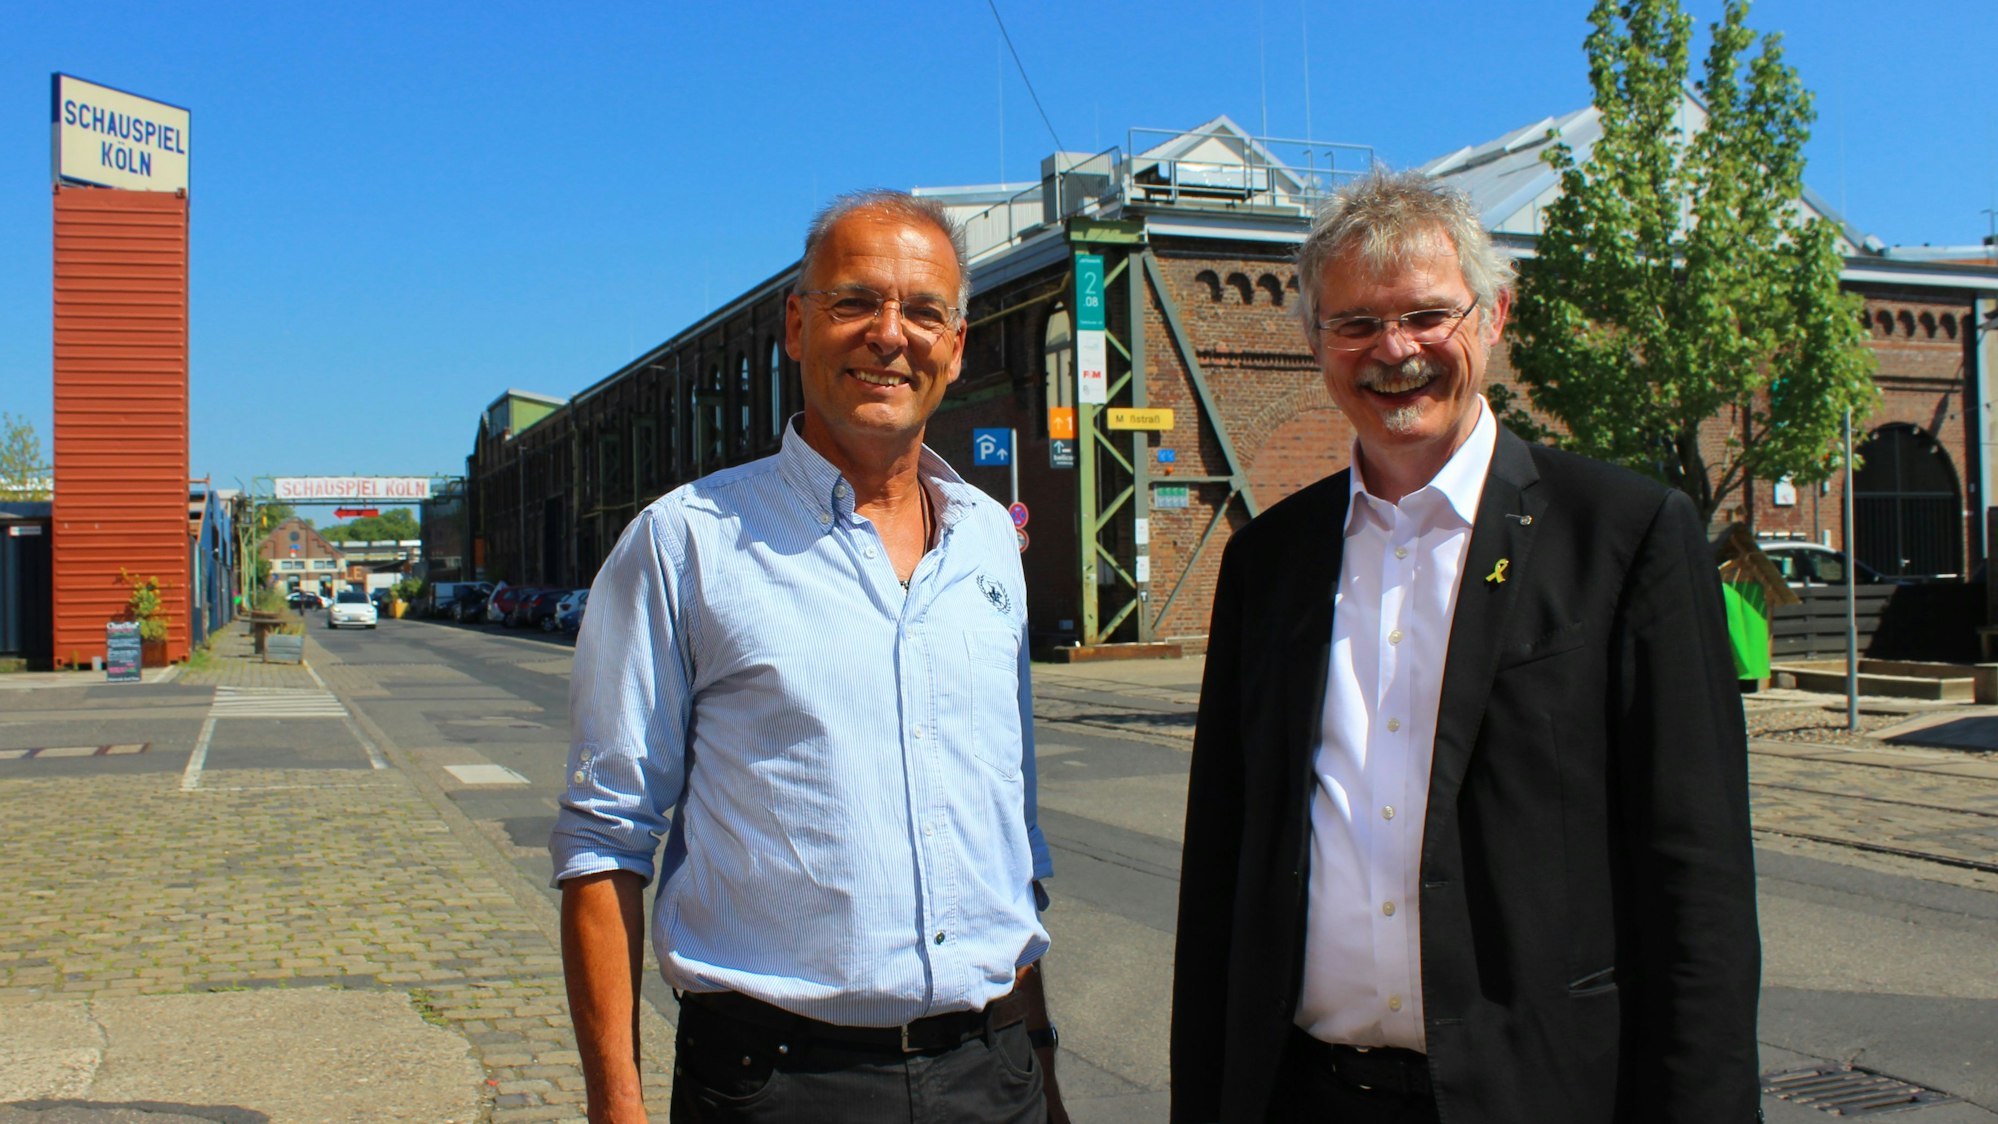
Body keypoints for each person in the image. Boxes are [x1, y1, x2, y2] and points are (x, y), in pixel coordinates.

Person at [1170, 170, 1761, 1123]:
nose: (1394, 350)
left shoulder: (1625, 536)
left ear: (1493, 316)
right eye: (1356, 324)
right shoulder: (1268, 562)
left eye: (1426, 316)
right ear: (1315, 341)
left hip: (1543, 1095)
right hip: (1308, 1096)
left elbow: (1698, 879)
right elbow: (1222, 868)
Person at [551, 189, 1066, 1124]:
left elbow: (1010, 840)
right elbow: (603, 842)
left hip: (993, 1074)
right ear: (797, 326)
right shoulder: (687, 542)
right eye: (854, 301)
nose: (889, 335)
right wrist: (616, 1110)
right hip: (778, 1083)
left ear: (955, 345)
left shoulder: (991, 540)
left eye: (923, 312)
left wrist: (1041, 1065)